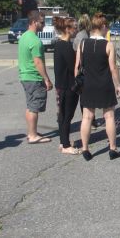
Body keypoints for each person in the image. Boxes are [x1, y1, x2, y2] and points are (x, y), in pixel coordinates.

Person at [75, 12, 120, 160]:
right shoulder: (108, 45)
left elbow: (77, 66)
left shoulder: (82, 44)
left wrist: (78, 82)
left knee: (87, 117)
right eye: (106, 26)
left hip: (88, 85)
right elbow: (113, 68)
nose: (107, 28)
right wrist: (118, 85)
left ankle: (85, 149)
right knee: (109, 116)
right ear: (102, 26)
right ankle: (113, 149)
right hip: (104, 84)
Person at [18, 11, 53, 144]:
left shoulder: (24, 36)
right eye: (42, 22)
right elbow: (38, 62)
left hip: (25, 76)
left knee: (30, 105)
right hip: (33, 77)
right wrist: (46, 79)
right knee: (34, 107)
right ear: (34, 22)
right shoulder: (34, 40)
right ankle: (33, 135)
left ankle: (31, 132)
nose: (43, 25)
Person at [53, 16, 80, 155]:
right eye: (75, 27)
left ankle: (63, 141)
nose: (77, 30)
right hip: (68, 86)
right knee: (66, 116)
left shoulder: (58, 44)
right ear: (68, 29)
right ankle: (66, 145)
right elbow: (74, 67)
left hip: (61, 86)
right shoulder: (66, 47)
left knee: (63, 115)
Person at [73, 14, 102, 129]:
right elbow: (81, 56)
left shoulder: (80, 35)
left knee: (85, 97)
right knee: (86, 98)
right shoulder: (83, 37)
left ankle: (90, 120)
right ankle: (90, 121)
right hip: (84, 70)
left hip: (81, 69)